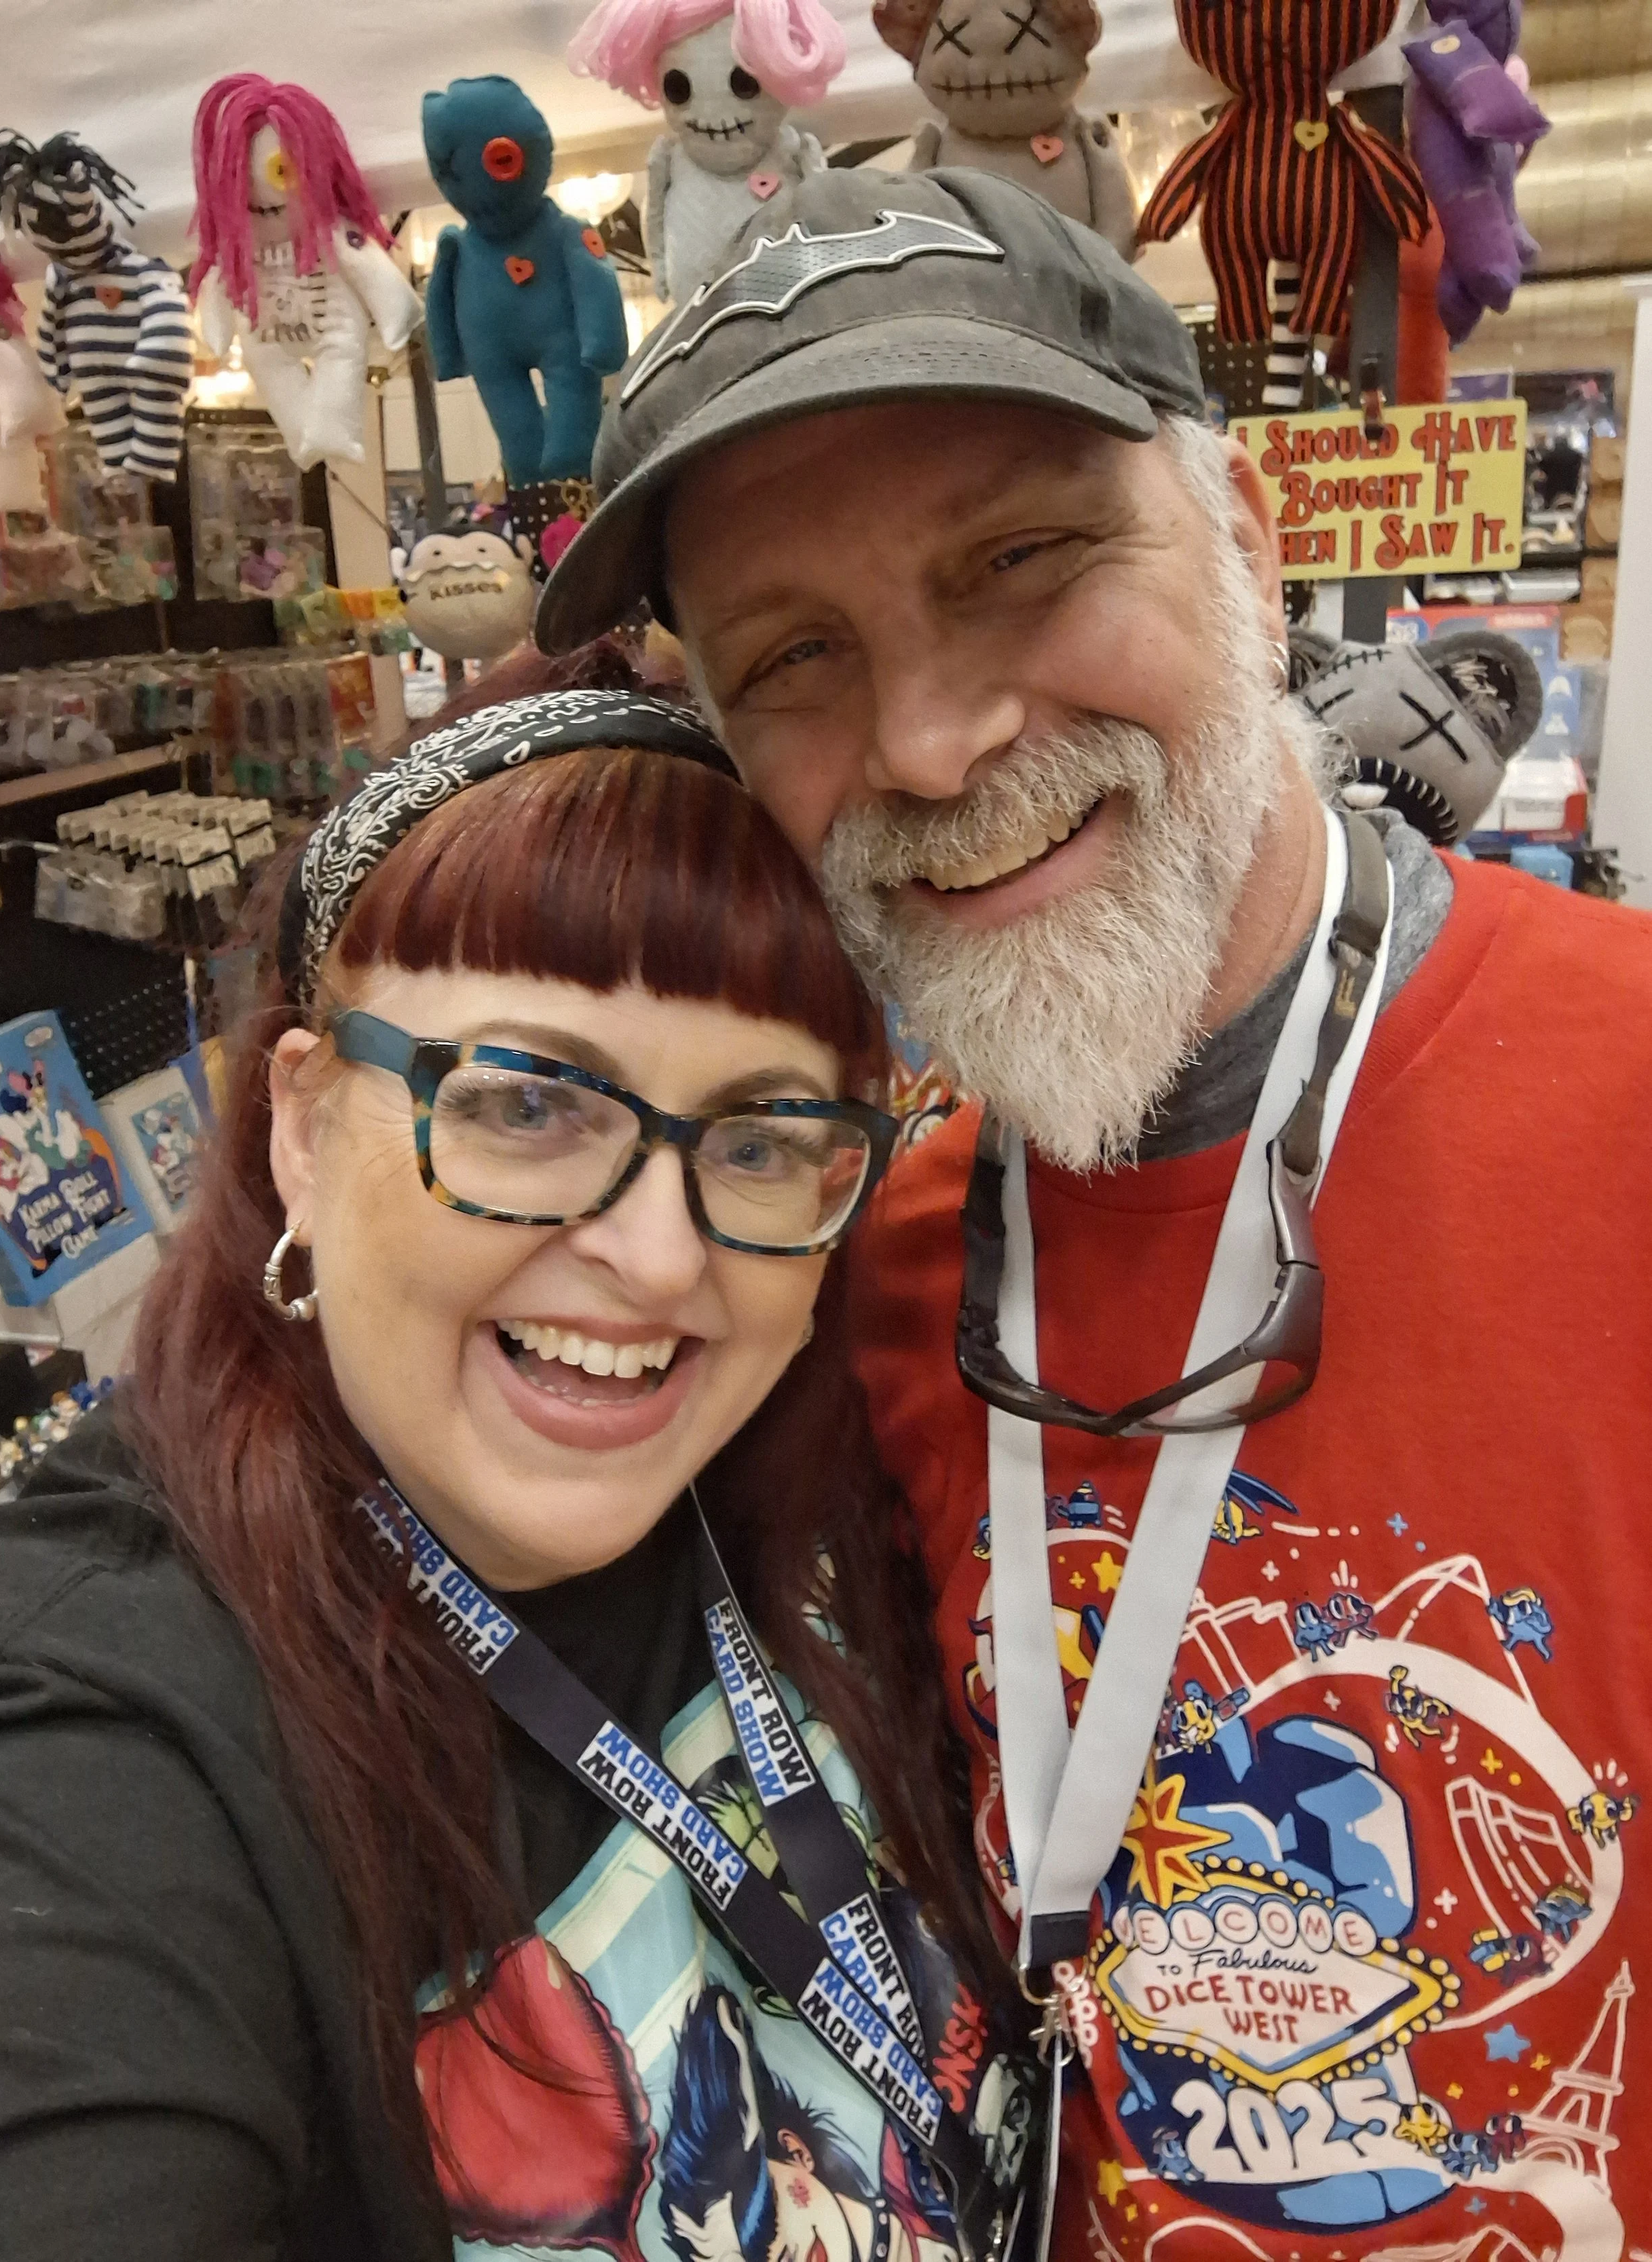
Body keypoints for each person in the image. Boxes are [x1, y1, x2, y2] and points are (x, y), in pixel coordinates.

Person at [536, 165, 1652, 2256]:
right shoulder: (839, 1279)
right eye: (796, 656)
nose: (934, 741)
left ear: (1242, 535)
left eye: (1023, 559)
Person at [0, 687, 1038, 2262]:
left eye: (756, 1137)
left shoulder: (802, 1485)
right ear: (306, 1131)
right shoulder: (99, 1745)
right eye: (529, 1104)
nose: (659, 1257)